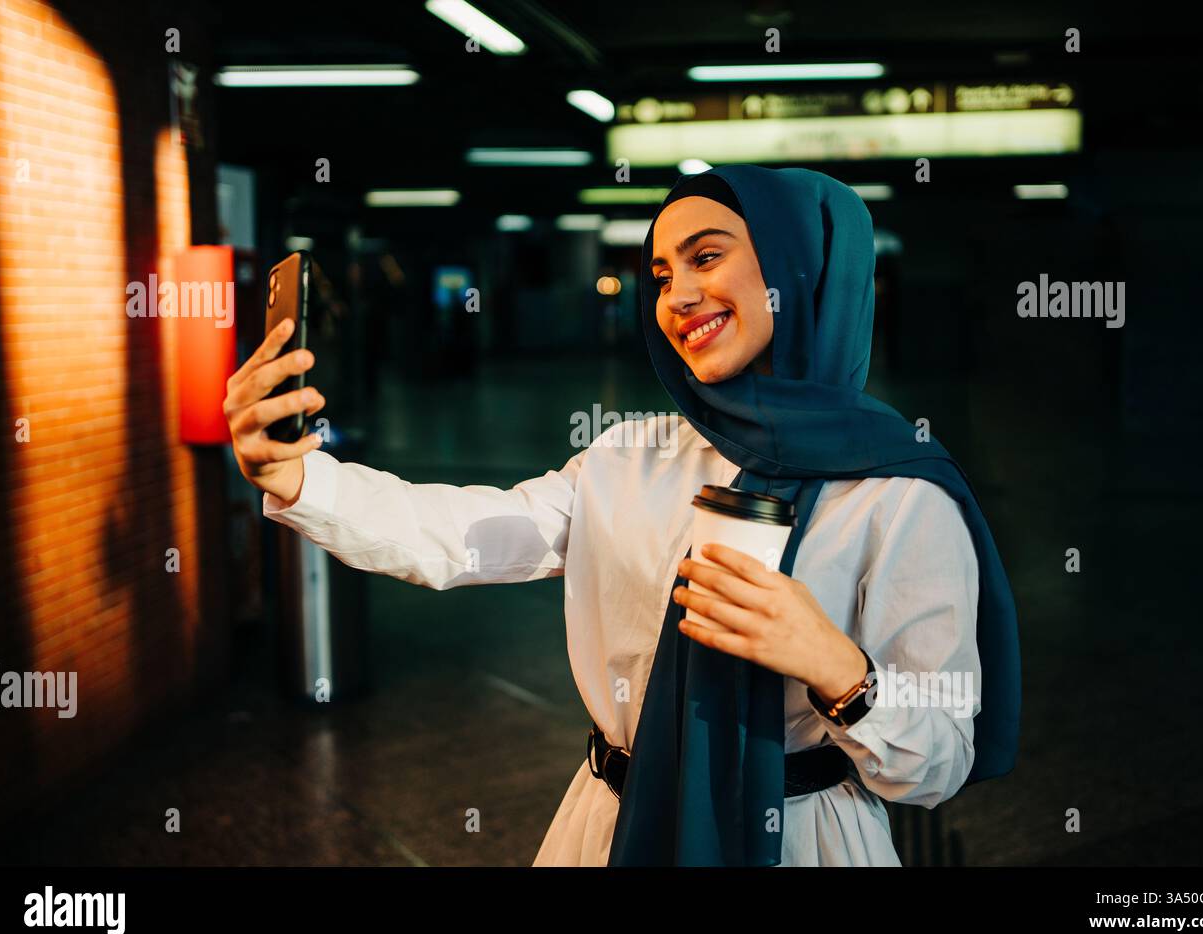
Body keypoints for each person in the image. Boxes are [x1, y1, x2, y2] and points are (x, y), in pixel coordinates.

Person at [223, 164, 1020, 866]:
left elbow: (940, 760)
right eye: (661, 272)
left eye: (707, 257)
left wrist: (835, 667)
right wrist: (299, 479)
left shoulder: (900, 492)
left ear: (799, 270)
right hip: (614, 823)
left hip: (804, 837)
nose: (678, 295)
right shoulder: (630, 457)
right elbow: (462, 537)